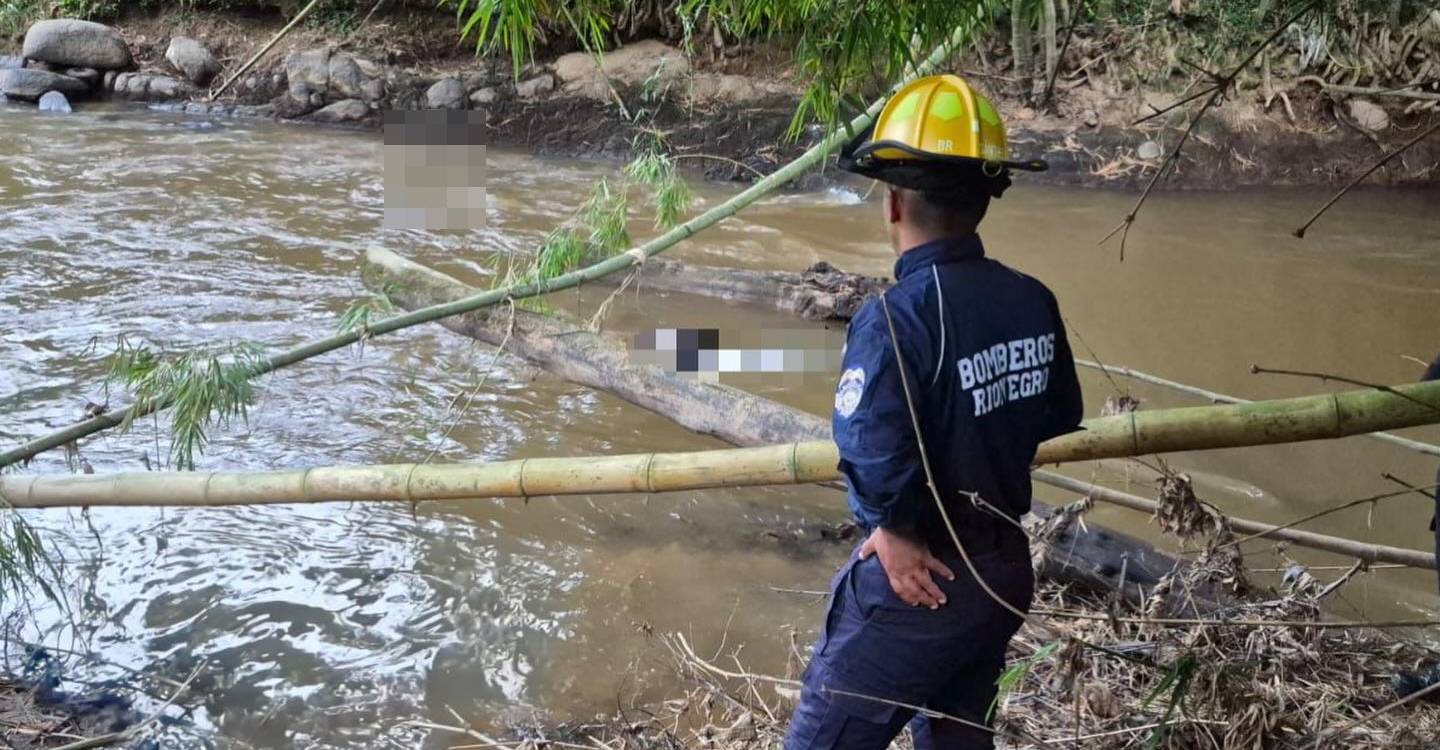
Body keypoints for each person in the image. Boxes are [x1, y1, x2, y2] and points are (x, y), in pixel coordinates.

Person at [783, 75, 1084, 750]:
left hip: (922, 583)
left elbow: (869, 446)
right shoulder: (1031, 298)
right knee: (957, 735)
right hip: (1004, 569)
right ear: (985, 198)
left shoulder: (895, 316)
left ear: (893, 203)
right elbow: (1056, 411)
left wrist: (893, 529)